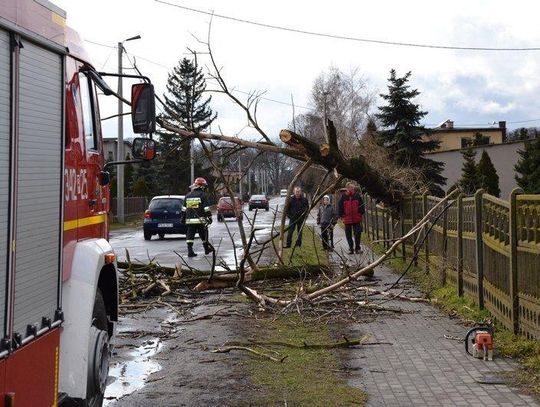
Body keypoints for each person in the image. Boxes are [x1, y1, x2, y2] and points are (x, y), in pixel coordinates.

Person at [182, 177, 213, 257]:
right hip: (200, 220)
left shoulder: (188, 195)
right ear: (201, 186)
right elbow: (206, 208)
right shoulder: (203, 195)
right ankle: (206, 249)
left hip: (189, 220)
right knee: (204, 234)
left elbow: (184, 209)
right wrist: (209, 217)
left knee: (190, 235)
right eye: (204, 186)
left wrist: (182, 218)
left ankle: (190, 251)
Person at [338, 182, 365, 254]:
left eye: (353, 188)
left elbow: (362, 206)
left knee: (358, 233)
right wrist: (342, 216)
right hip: (347, 219)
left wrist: (360, 214)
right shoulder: (343, 197)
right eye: (351, 188)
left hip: (356, 219)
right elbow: (340, 207)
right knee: (348, 235)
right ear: (347, 188)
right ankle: (351, 248)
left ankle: (357, 248)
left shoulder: (357, 196)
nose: (352, 189)